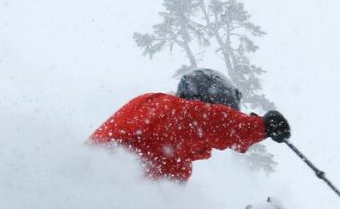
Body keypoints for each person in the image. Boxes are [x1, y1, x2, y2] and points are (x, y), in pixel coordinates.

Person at [90, 67, 291, 182]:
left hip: (113, 206)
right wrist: (260, 127)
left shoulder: (179, 158)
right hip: (95, 185)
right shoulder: (167, 108)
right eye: (224, 110)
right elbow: (208, 120)